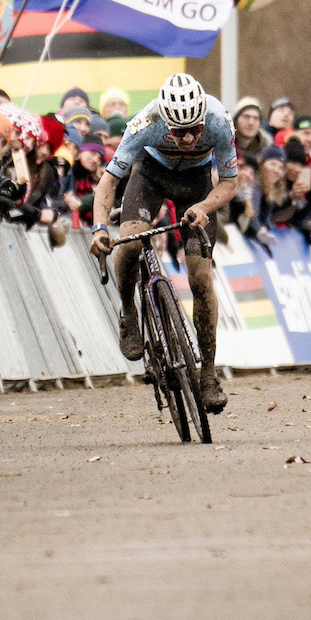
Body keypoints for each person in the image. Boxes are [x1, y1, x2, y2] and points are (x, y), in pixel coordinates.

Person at [89, 72, 238, 415]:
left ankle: (209, 375)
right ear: (165, 122)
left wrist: (203, 207)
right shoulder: (145, 123)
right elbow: (109, 182)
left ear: (203, 121)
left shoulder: (218, 121)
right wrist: (99, 228)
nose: (187, 139)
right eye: (178, 132)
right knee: (129, 244)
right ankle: (128, 310)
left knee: (201, 279)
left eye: (194, 131)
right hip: (151, 176)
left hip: (197, 184)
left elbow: (230, 183)